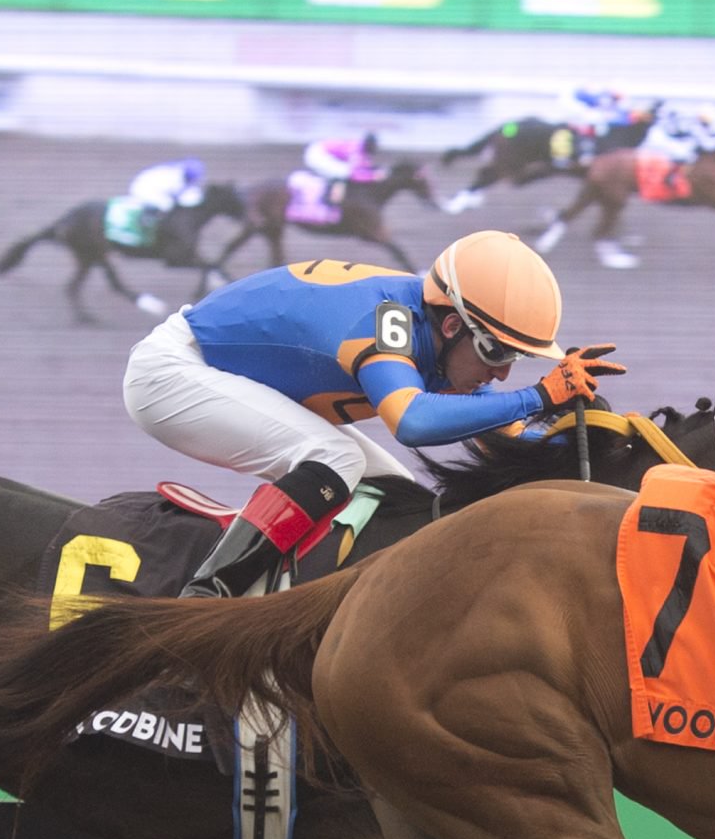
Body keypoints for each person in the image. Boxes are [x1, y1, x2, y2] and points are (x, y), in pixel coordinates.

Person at [121, 232, 621, 597]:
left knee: (396, 495)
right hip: (173, 372)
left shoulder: (436, 334)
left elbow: (500, 434)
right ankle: (206, 597)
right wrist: (538, 397)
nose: (502, 373)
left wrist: (591, 435)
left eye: (516, 358)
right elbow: (412, 423)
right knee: (335, 458)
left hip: (225, 373)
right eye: (496, 352)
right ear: (452, 325)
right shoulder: (387, 321)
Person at [126, 158, 208, 263]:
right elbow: (180, 196)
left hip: (158, 189)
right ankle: (146, 222)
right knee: (166, 205)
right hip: (145, 189)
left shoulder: (184, 175)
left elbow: (191, 193)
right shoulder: (172, 177)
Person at [299, 131, 383, 202]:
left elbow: (365, 168)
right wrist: (372, 176)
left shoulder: (363, 151)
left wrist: (372, 173)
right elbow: (354, 174)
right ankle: (330, 201)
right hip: (317, 153)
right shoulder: (355, 150)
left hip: (324, 151)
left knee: (344, 170)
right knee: (344, 172)